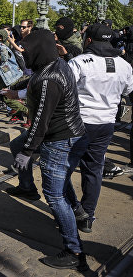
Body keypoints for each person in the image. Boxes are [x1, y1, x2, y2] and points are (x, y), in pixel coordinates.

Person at [11, 29, 88, 271]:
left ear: (39, 50)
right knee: (59, 178)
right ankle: (77, 211)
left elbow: (41, 121)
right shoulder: (55, 64)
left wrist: (27, 151)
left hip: (59, 137)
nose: (25, 55)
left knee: (54, 194)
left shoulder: (49, 79)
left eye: (27, 50)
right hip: (65, 132)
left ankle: (74, 250)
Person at [63, 24, 133, 233]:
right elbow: (130, 92)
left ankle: (75, 210)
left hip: (80, 123)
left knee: (62, 169)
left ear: (89, 41)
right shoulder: (124, 65)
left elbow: (63, 89)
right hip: (106, 124)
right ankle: (88, 215)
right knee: (94, 170)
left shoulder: (79, 62)